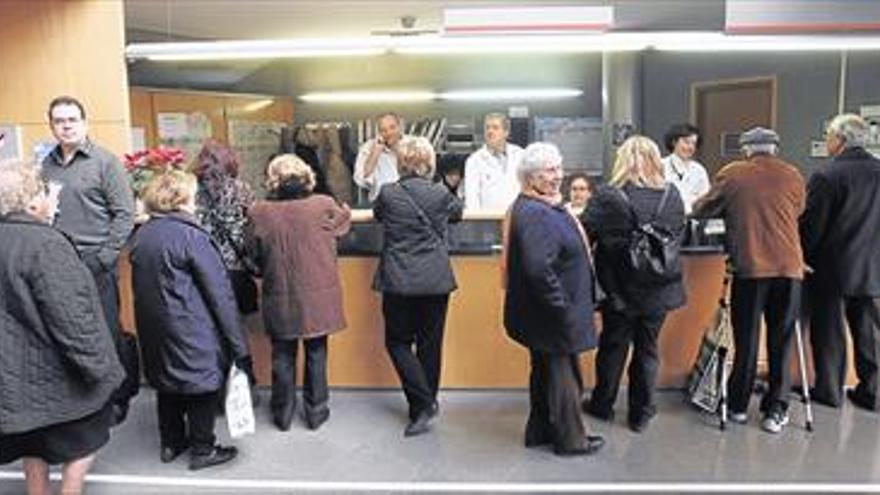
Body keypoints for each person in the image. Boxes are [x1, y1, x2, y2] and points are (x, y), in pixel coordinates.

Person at [0, 159, 124, 495]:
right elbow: (74, 320)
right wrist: (102, 371)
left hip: (11, 379)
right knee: (85, 442)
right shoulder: (46, 245)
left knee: (32, 444)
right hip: (53, 375)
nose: (54, 198)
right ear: (31, 201)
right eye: (46, 191)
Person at [130, 170, 252, 470]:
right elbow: (219, 294)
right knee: (202, 383)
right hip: (190, 325)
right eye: (193, 194)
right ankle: (203, 449)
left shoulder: (143, 235)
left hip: (154, 326)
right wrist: (239, 346)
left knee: (166, 381)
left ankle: (171, 443)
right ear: (181, 198)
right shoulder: (191, 236)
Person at [692, 127, 806, 433]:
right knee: (781, 341)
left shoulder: (734, 174)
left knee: (747, 338)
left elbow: (701, 209)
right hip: (789, 267)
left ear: (747, 149)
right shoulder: (793, 174)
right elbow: (798, 210)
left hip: (752, 267)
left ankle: (739, 406)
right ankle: (776, 411)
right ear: (774, 148)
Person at [504, 142, 604, 456]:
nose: (557, 176)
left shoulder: (536, 206)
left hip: (542, 311)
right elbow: (538, 269)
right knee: (564, 375)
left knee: (545, 370)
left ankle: (540, 430)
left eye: (558, 168)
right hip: (553, 311)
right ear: (530, 177)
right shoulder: (536, 213)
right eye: (549, 170)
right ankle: (571, 439)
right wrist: (561, 307)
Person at [40, 95, 136, 423]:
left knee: (106, 332)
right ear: (52, 126)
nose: (66, 126)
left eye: (72, 120)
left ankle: (117, 398)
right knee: (67, 332)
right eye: (59, 121)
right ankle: (85, 399)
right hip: (58, 264)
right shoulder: (46, 165)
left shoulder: (105, 162)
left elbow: (125, 215)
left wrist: (106, 258)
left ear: (85, 123)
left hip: (96, 263)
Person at [581, 136, 686, 432]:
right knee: (648, 348)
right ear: (655, 158)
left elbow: (585, 233)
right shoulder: (673, 195)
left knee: (613, 346)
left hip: (619, 289)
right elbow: (678, 234)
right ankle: (641, 413)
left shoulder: (608, 196)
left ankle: (603, 404)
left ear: (622, 160)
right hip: (659, 287)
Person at [246, 154, 352, 431]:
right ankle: (316, 411)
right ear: (307, 178)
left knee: (282, 353)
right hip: (319, 294)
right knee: (316, 351)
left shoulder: (259, 211)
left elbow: (252, 255)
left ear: (273, 180)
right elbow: (342, 224)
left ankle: (282, 413)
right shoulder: (323, 205)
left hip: (279, 293)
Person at [372, 136, 463, 437]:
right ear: (428, 163)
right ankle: (426, 402)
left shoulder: (388, 193)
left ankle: (421, 405)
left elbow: (378, 216)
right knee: (430, 343)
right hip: (435, 280)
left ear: (400, 163)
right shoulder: (439, 193)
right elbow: (457, 213)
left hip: (398, 279)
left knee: (397, 342)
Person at [800, 114, 880, 411]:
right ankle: (872, 393)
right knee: (868, 335)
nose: (828, 142)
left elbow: (812, 227)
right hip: (872, 269)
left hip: (833, 270)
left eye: (829, 136)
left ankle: (830, 392)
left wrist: (802, 256)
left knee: (829, 334)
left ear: (840, 141)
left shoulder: (827, 176)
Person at [193, 140, 258, 315]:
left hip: (200, 267)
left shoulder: (191, 189)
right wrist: (252, 263)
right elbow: (239, 230)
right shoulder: (239, 189)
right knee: (240, 330)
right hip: (233, 268)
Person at [464, 112, 525, 211]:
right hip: (489, 222)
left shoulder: (520, 155)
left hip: (517, 219)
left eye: (495, 128)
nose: (490, 131)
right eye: (487, 128)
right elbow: (472, 200)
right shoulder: (474, 161)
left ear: (506, 132)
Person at [354, 112, 408, 203]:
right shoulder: (368, 147)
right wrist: (375, 153)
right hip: (381, 202)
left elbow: (423, 175)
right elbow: (360, 180)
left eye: (392, 127)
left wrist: (398, 151)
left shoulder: (411, 144)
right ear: (378, 132)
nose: (389, 133)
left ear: (400, 127)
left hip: (408, 201)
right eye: (383, 130)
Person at [661, 123, 710, 214]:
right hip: (667, 219)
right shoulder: (661, 165)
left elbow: (705, 199)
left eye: (694, 144)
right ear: (674, 142)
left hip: (692, 219)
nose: (690, 147)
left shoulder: (699, 170)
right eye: (686, 142)